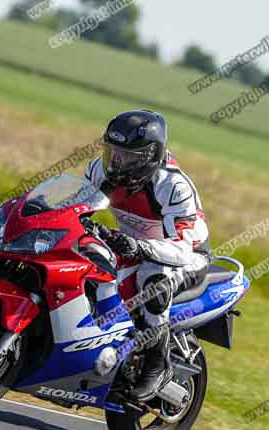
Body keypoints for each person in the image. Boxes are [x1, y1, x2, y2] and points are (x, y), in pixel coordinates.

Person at [84, 109, 211, 401]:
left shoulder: (173, 186)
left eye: (127, 156)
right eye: (113, 152)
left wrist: (139, 246)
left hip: (186, 255)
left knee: (153, 276)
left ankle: (158, 361)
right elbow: (78, 208)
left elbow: (181, 250)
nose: (116, 162)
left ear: (149, 157)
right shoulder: (100, 170)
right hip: (132, 244)